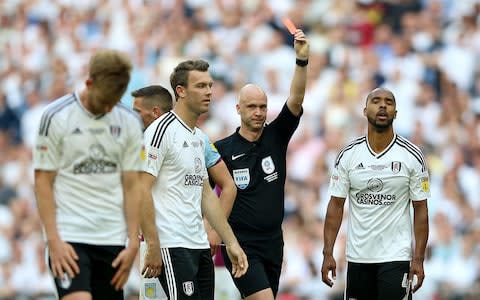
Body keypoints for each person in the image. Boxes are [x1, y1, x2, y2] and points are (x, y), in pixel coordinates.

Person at [33, 49, 143, 300]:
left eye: (112, 102)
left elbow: (132, 185)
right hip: (69, 236)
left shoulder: (130, 122)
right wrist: (53, 241)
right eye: (103, 100)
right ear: (89, 82)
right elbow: (42, 182)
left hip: (112, 238)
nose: (107, 107)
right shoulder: (55, 116)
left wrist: (133, 243)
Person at [139, 60, 248, 300]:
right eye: (200, 86)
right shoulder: (160, 131)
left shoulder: (199, 137)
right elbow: (141, 190)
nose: (209, 91)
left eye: (210, 85)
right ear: (181, 91)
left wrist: (230, 242)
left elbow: (207, 194)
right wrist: (154, 244)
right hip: (171, 244)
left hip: (198, 244)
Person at [213, 29, 310, 300]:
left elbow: (296, 99)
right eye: (252, 107)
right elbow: (203, 194)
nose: (258, 112)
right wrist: (212, 231)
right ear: (238, 109)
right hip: (240, 244)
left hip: (273, 243)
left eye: (263, 107)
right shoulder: (222, 149)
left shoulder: (276, 136)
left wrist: (301, 61)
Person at [321, 87, 430, 300]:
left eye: (389, 102)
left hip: (396, 257)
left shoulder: (412, 156)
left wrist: (418, 258)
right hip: (358, 258)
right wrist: (327, 253)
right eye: (376, 101)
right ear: (364, 110)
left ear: (396, 113)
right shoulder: (348, 155)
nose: (382, 105)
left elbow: (421, 209)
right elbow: (335, 205)